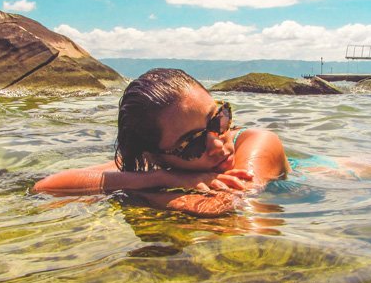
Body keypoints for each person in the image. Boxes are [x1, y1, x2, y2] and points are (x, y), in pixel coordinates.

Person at [33, 68, 291, 217]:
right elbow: (47, 186)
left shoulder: (259, 141)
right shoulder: (162, 169)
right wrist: (167, 180)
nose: (215, 143)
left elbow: (229, 204)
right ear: (155, 157)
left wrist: (147, 194)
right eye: (191, 144)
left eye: (217, 121)